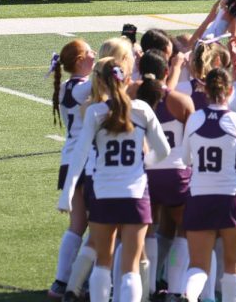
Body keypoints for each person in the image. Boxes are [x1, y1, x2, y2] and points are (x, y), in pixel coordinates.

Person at [60, 58, 171, 302]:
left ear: (99, 82)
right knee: (130, 268)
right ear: (126, 80)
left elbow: (79, 155)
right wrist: (143, 164)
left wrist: (67, 193)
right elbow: (163, 151)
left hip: (103, 192)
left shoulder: (95, 112)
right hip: (135, 194)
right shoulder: (142, 109)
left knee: (103, 262)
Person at [179, 67, 236, 302]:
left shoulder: (194, 119)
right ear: (230, 91)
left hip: (199, 196)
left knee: (198, 265)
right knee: (234, 264)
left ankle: (188, 296)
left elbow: (185, 160)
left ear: (204, 90)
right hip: (231, 197)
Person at [137, 49, 195, 302]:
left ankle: (148, 289)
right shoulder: (182, 101)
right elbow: (193, 143)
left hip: (146, 173)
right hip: (176, 173)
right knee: (183, 229)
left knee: (148, 231)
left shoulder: (134, 98)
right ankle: (174, 289)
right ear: (167, 72)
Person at [49, 39, 97, 299]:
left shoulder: (66, 87)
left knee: (77, 224)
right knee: (93, 224)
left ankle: (61, 281)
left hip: (69, 160)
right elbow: (108, 79)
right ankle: (78, 281)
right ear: (79, 61)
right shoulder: (82, 89)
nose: (95, 54)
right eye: (91, 52)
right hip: (85, 161)